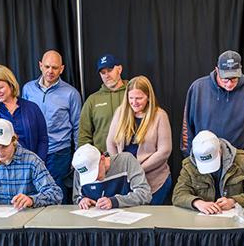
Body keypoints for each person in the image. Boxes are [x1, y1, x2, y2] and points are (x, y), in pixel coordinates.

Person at [181, 50, 244, 162]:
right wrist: (189, 159)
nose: (229, 84)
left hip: (236, 162)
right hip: (202, 160)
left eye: (234, 78)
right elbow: (187, 128)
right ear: (217, 70)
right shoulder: (197, 89)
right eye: (225, 78)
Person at [22, 50, 82, 204]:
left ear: (62, 69)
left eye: (55, 68)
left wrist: (77, 155)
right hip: (32, 152)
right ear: (40, 66)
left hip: (59, 153)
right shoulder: (28, 89)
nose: (50, 71)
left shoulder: (71, 93)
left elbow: (77, 127)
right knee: (34, 195)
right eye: (47, 66)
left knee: (58, 195)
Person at [106, 76, 172, 204]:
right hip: (126, 180)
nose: (134, 102)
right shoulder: (121, 112)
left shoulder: (160, 115)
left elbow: (164, 151)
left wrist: (136, 169)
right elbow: (111, 142)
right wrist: (119, 167)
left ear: (148, 97)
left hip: (155, 181)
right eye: (131, 98)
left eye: (139, 98)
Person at [173, 130, 244, 214]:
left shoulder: (242, 160)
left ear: (220, 149)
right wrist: (197, 203)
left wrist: (234, 201)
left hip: (236, 223)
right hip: (203, 224)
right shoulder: (189, 165)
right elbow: (178, 195)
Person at [0, 64, 48, 161]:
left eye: (0, 87)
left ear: (11, 84)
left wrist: (37, 163)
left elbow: (43, 140)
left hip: (30, 169)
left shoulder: (32, 108)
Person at [72, 143, 151, 209]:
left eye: (95, 172)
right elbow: (76, 197)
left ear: (102, 159)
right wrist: (82, 201)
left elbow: (144, 194)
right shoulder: (80, 171)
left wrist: (115, 201)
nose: (94, 179)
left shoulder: (126, 161)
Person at [79, 54, 128, 152]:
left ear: (119, 69)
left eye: (110, 70)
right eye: (103, 72)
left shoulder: (132, 93)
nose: (107, 75)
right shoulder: (92, 100)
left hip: (132, 157)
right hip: (103, 160)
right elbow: (83, 135)